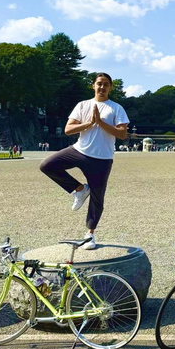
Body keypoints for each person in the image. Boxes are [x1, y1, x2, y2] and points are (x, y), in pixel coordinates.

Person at [40, 73, 129, 250]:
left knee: (97, 198)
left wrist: (101, 123)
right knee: (47, 165)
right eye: (99, 84)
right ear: (93, 86)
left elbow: (122, 133)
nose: (102, 87)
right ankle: (80, 189)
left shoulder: (116, 108)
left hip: (102, 158)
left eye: (106, 84)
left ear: (110, 87)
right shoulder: (83, 105)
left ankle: (90, 234)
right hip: (80, 150)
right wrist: (89, 123)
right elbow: (68, 129)